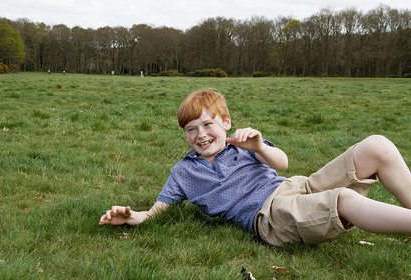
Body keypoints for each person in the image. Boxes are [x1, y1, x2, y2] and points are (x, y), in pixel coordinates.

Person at [99, 90, 411, 246]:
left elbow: (283, 163)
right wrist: (132, 216)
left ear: (226, 123)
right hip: (269, 217)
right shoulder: (183, 172)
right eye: (191, 129)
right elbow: (157, 210)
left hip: (297, 187)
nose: (200, 134)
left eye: (207, 124)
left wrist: (259, 147)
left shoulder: (244, 144)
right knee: (344, 199)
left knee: (376, 145)